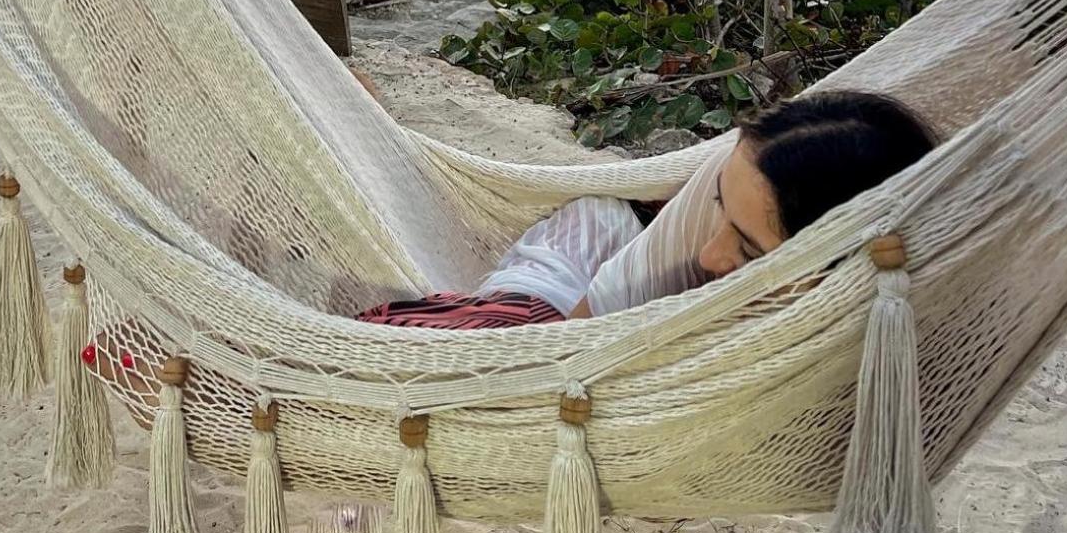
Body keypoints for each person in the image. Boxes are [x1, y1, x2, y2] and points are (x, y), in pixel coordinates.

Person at [356, 89, 937, 329]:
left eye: (749, 248)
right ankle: (364, 115)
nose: (712, 255)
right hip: (581, 274)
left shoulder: (881, 282)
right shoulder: (682, 244)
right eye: (720, 212)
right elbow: (563, 346)